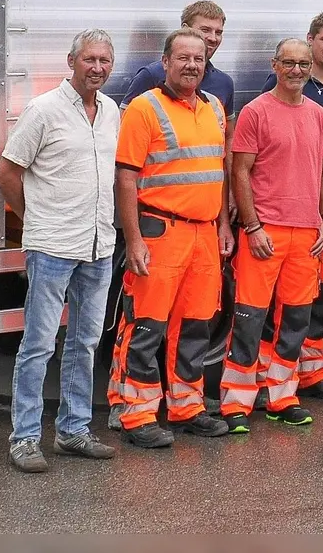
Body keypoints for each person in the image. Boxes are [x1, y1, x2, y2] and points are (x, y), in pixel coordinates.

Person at [0, 30, 121, 472]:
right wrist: (36, 218)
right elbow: (6, 173)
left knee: (85, 342)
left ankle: (72, 431)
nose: (98, 68)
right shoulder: (44, 110)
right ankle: (25, 438)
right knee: (38, 344)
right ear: (72, 61)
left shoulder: (111, 112)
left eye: (105, 60)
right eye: (90, 59)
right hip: (52, 245)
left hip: (98, 245)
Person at [108, 28, 236, 447]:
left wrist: (222, 225)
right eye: (182, 58)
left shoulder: (215, 107)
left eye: (198, 59)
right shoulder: (145, 109)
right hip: (159, 232)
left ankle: (186, 407)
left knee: (196, 326)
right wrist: (135, 239)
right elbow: (125, 179)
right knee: (146, 326)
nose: (191, 65)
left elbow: (218, 173)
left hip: (203, 235)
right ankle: (137, 414)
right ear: (165, 62)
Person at [221, 39, 323, 433]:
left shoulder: (319, 115)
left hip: (306, 235)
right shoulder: (256, 112)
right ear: (275, 65)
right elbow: (240, 172)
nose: (297, 70)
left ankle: (281, 397)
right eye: (289, 62)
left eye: (303, 64)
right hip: (265, 232)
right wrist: (251, 227)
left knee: (294, 321)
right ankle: (236, 402)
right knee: (250, 319)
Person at [263, 13, 323, 402]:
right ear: (310, 40)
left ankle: (313, 372)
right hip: (286, 206)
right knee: (281, 293)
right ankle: (273, 375)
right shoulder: (282, 82)